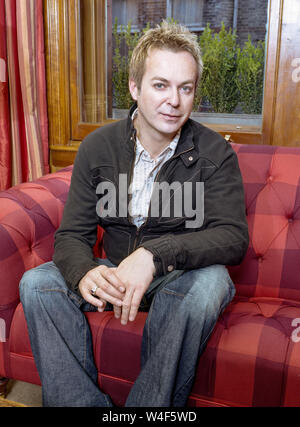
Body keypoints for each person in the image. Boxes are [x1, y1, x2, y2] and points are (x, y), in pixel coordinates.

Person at [19, 21, 249, 407]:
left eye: (185, 88)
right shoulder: (97, 147)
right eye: (160, 85)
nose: (173, 100)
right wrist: (86, 272)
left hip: (176, 279)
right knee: (36, 284)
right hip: (112, 268)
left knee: (212, 283)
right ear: (134, 87)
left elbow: (232, 237)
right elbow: (71, 235)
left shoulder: (215, 154)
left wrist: (154, 256)